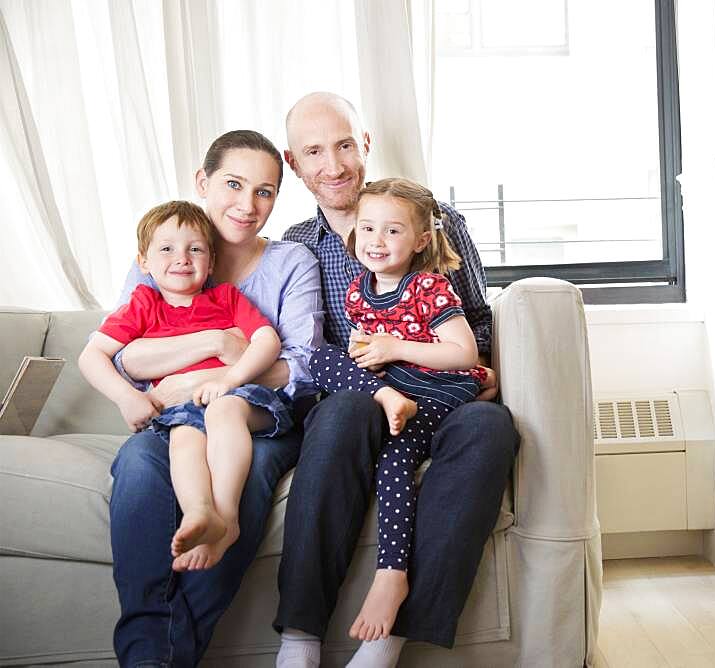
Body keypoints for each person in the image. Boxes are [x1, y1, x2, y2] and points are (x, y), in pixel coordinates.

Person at [274, 92, 519, 668]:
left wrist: (481, 374)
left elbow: (477, 323)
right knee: (340, 411)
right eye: (314, 152)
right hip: (358, 396)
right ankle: (300, 638)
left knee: (490, 427)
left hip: (442, 389)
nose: (332, 165)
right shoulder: (295, 246)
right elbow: (309, 351)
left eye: (343, 145)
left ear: (365, 144)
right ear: (294, 163)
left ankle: (387, 643)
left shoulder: (437, 223)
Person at [106, 130, 324, 666]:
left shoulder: (290, 261)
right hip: (173, 416)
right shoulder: (162, 250)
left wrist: (219, 375)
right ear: (204, 182)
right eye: (233, 184)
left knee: (244, 479)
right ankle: (145, 656)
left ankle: (168, 656)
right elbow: (124, 358)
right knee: (137, 467)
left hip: (255, 417)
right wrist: (212, 346)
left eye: (265, 192)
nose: (247, 205)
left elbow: (302, 366)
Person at [308, 177, 489, 643]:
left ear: (421, 240)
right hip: (395, 386)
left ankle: (392, 573)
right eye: (367, 229)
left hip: (436, 385)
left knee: (396, 453)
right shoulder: (357, 291)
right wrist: (368, 356)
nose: (376, 241)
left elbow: (463, 354)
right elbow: (361, 347)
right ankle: (386, 397)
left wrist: (395, 345)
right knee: (318, 357)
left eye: (392, 231)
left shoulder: (429, 287)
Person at [82, 200, 294, 572]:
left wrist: (229, 379)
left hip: (238, 397)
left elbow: (267, 341)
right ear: (143, 262)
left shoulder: (225, 298)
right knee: (184, 435)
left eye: (194, 249)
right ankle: (200, 512)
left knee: (223, 410)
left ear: (211, 262)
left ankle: (226, 519)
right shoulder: (143, 304)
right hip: (181, 409)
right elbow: (92, 355)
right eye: (167, 249)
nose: (182, 258)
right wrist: (127, 398)